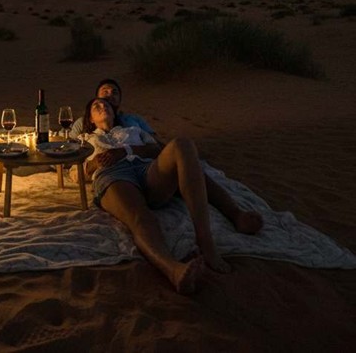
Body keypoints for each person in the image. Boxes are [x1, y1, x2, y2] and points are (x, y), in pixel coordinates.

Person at [82, 97, 262, 294]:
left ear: (115, 113)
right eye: (96, 106)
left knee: (182, 145)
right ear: (90, 119)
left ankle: (206, 237)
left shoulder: (132, 131)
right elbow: (79, 170)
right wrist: (94, 163)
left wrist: (124, 150)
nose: (103, 106)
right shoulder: (86, 139)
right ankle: (174, 269)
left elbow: (156, 149)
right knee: (140, 217)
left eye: (106, 105)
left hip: (146, 168)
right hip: (113, 174)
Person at [69, 78, 154, 139]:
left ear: (120, 100)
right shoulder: (82, 122)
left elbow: (155, 141)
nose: (110, 95)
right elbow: (70, 146)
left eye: (115, 92)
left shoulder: (134, 120)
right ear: (96, 98)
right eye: (105, 92)